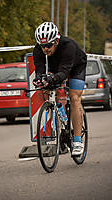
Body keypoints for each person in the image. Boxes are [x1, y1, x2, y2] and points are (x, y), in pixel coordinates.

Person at [33, 22, 87, 156]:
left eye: (48, 45)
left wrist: (52, 79)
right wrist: (39, 79)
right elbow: (39, 69)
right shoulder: (38, 49)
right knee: (45, 88)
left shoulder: (68, 46)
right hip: (57, 67)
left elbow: (64, 72)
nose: (45, 49)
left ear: (56, 41)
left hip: (75, 67)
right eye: (42, 46)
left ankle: (78, 141)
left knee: (74, 98)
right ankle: (61, 114)